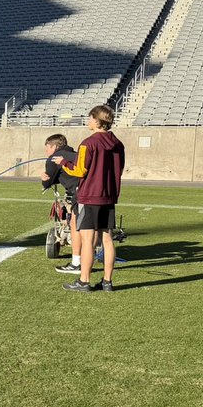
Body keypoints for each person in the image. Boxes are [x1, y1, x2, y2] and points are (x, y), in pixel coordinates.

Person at [50, 105, 126, 292]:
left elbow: (79, 170)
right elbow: (119, 169)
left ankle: (84, 281)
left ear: (97, 121)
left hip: (90, 196)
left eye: (90, 117)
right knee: (107, 239)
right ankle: (107, 282)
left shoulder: (88, 143)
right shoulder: (118, 144)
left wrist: (63, 162)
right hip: (108, 196)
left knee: (87, 240)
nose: (88, 120)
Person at [40, 133, 83, 274]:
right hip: (94, 191)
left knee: (76, 226)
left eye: (47, 147)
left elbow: (48, 181)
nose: (46, 151)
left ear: (54, 147)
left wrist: (44, 180)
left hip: (79, 193)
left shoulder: (54, 158)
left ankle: (77, 263)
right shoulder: (76, 155)